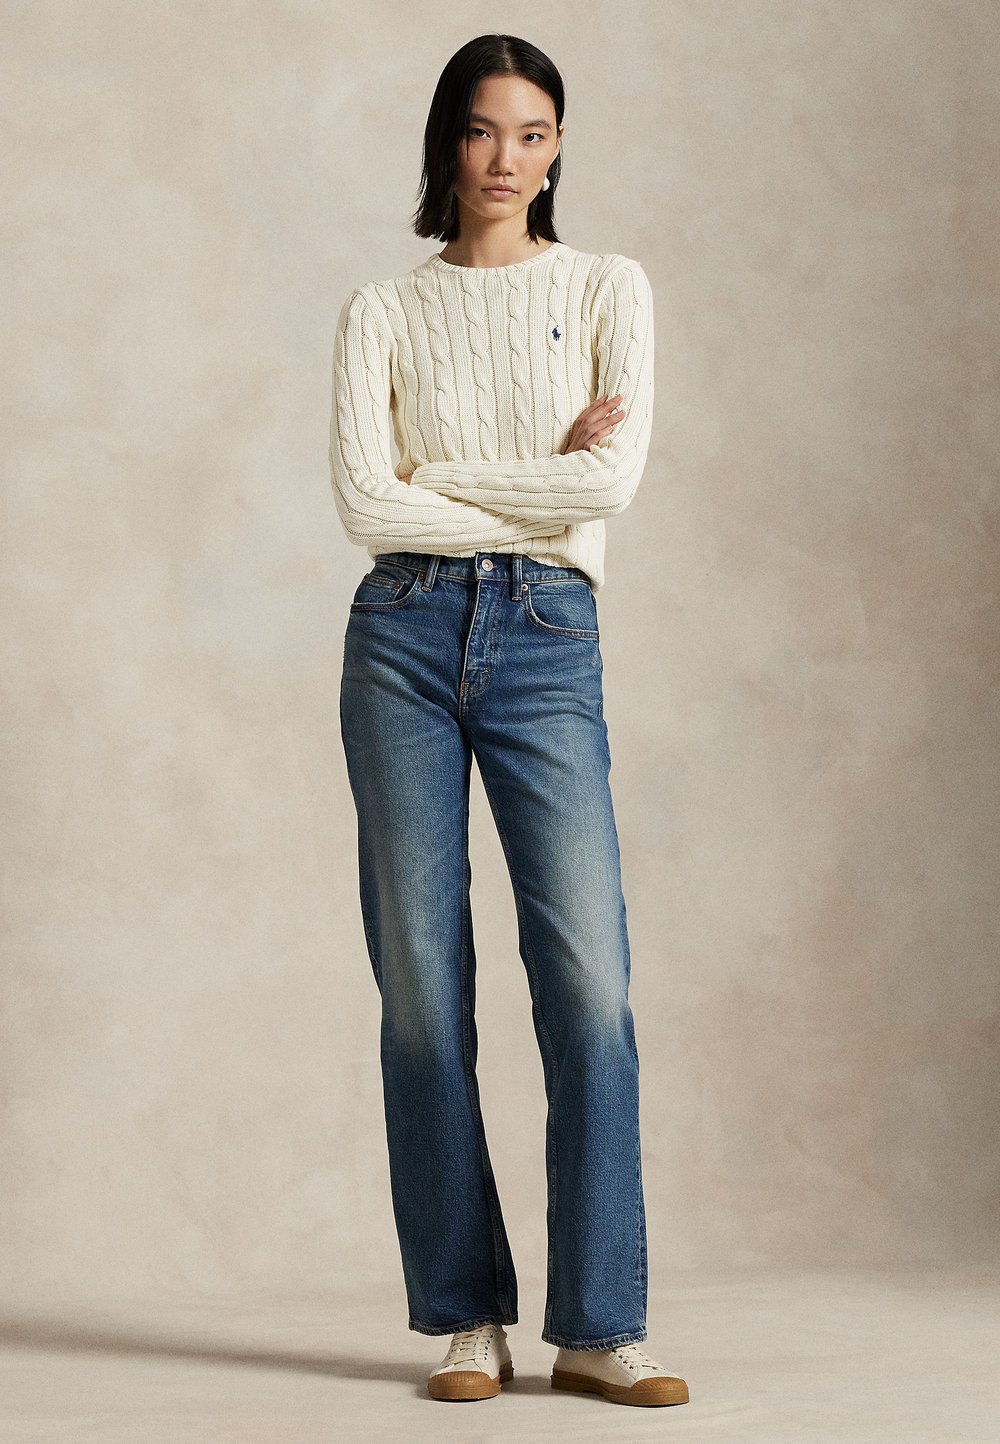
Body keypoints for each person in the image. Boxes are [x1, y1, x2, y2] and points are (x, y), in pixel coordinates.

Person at [329, 33, 689, 1409]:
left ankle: (598, 1326)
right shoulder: (381, 309)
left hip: (546, 636)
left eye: (533, 134)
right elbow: (364, 503)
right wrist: (535, 474)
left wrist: (451, 472)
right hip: (401, 636)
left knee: (587, 978)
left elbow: (609, 488)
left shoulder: (607, 287)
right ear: (448, 140)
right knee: (422, 984)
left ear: (558, 148)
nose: (506, 159)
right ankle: (465, 1318)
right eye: (484, 131)